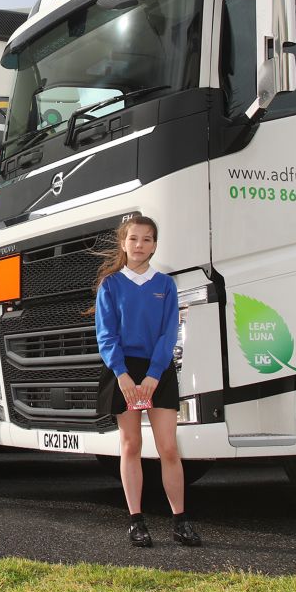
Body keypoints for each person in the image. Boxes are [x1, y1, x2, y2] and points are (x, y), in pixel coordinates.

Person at [94, 214, 202, 548]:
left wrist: (154, 375)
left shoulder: (165, 285)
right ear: (123, 243)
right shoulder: (110, 285)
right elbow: (106, 335)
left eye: (147, 239)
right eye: (133, 238)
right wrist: (123, 375)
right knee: (131, 445)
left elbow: (169, 333)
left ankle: (180, 521)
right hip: (123, 372)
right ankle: (136, 522)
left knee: (168, 448)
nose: (139, 245)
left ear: (155, 245)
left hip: (159, 371)